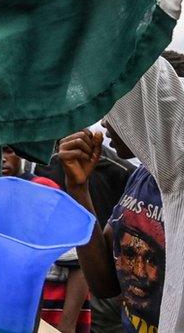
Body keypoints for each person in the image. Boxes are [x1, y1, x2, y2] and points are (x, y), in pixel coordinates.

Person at [60, 128, 167, 330]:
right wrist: (78, 188)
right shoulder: (142, 176)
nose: (106, 123)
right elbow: (104, 283)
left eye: (119, 108)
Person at [2, 146, 92, 333]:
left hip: (54, 315)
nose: (2, 159)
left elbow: (80, 262)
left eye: (8, 151)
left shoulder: (41, 188)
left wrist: (66, 325)